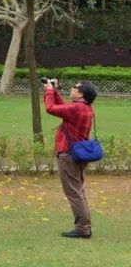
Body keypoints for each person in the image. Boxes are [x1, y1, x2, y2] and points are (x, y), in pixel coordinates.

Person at [45, 78, 98, 239]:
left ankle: (82, 228)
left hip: (68, 154)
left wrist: (48, 91)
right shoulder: (86, 108)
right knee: (79, 190)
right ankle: (85, 226)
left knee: (74, 192)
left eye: (75, 87)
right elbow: (63, 108)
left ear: (81, 93)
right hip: (79, 154)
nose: (72, 88)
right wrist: (54, 91)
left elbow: (51, 108)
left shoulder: (76, 109)